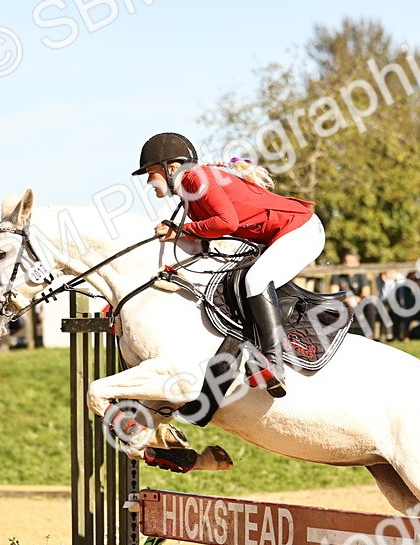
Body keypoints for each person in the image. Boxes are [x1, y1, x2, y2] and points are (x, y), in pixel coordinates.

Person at [135, 132, 323, 397]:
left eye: (150, 172)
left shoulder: (198, 179)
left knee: (255, 280)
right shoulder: (188, 194)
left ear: (171, 168)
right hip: (280, 236)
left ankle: (274, 362)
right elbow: (205, 243)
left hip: (301, 230)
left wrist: (182, 229)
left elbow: (227, 223)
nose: (148, 181)